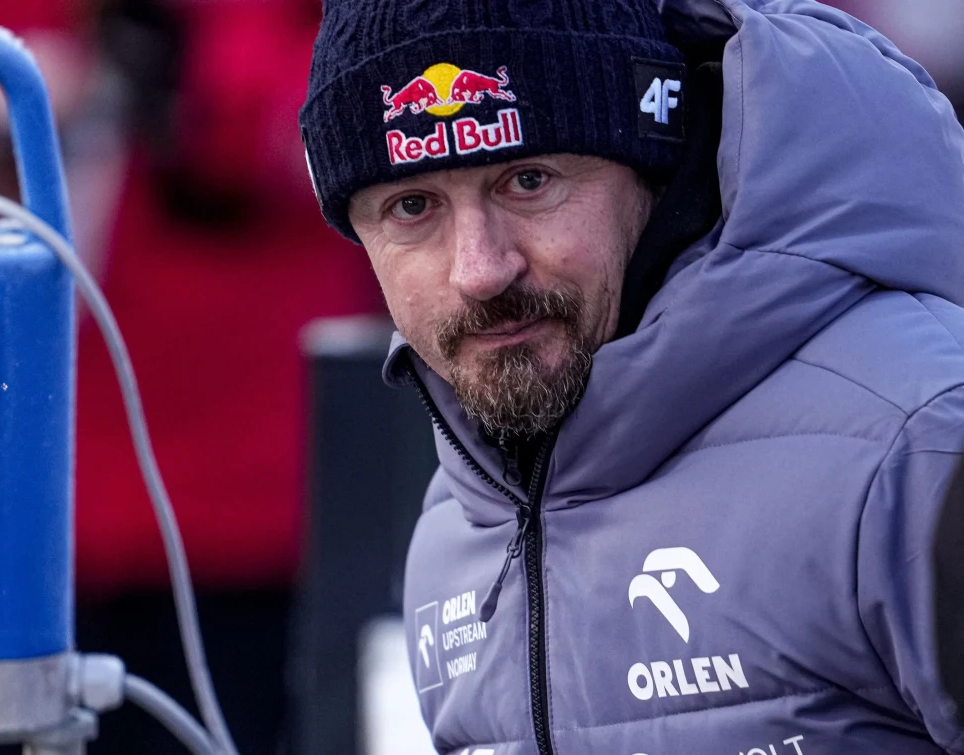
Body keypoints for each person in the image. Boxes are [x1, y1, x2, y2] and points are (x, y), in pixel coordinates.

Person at [299, 0, 964, 751]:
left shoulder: (920, 450)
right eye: (413, 206)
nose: (481, 269)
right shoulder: (457, 526)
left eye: (529, 180)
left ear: (653, 168)